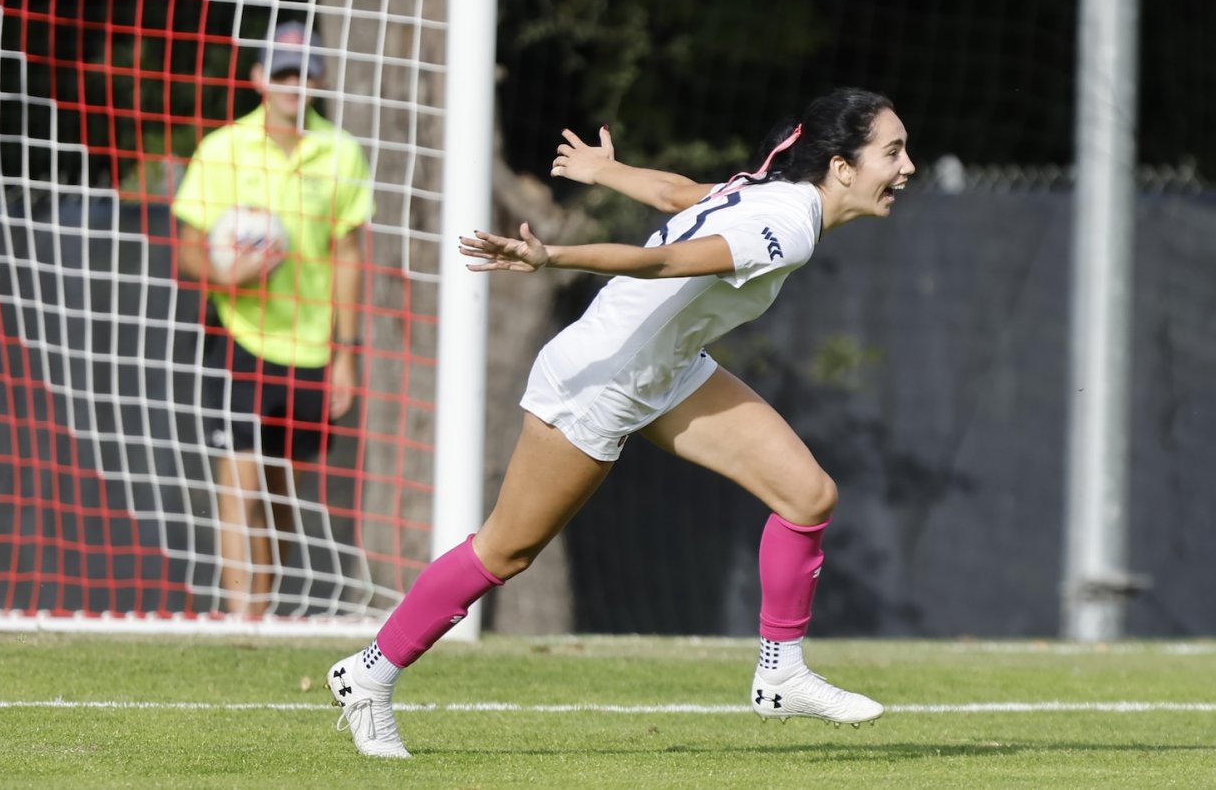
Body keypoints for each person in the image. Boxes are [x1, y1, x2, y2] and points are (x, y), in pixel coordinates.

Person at [327, 87, 914, 757]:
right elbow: (662, 260)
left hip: (668, 371)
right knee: (505, 551)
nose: (907, 167)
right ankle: (367, 676)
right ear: (841, 167)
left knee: (808, 496)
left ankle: (781, 673)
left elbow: (676, 193)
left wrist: (605, 171)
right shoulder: (790, 224)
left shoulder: (776, 195)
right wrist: (551, 257)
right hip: (599, 382)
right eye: (892, 152)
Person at [171, 21, 374, 617]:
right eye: (282, 73)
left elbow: (347, 255)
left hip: (309, 346)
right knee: (239, 479)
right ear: (259, 78)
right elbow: (188, 248)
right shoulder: (222, 149)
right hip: (238, 336)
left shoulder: (341, 152)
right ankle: (243, 619)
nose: (293, 84)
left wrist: (345, 353)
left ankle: (263, 607)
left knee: (281, 491)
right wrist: (227, 276)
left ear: (319, 81)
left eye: (303, 74)